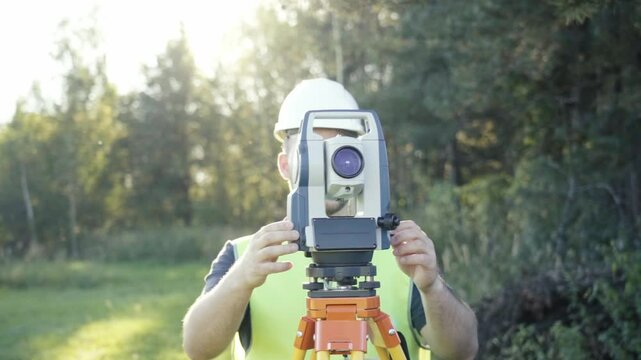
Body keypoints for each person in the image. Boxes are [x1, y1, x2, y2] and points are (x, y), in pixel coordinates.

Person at [182, 78, 478, 360]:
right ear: (285, 165)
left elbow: (462, 351)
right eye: (313, 152)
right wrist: (240, 280)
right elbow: (197, 347)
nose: (328, 167)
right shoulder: (245, 256)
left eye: (340, 153)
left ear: (362, 159)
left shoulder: (399, 251)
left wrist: (432, 287)